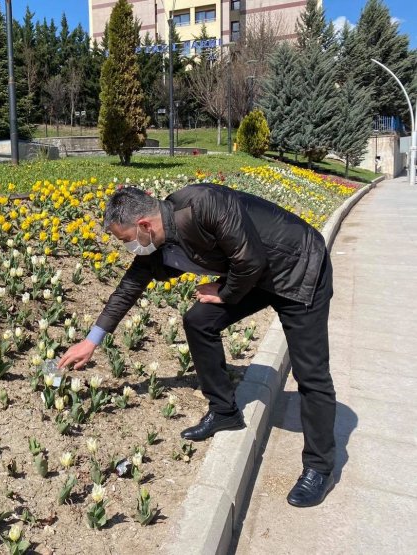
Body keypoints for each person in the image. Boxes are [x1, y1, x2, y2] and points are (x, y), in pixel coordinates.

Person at [58, 184, 336, 508]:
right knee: (199, 320)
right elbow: (129, 287)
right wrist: (91, 341)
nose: (129, 247)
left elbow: (250, 258)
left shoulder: (204, 205)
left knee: (311, 373)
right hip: (252, 275)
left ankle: (319, 466)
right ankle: (224, 411)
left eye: (127, 240)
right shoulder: (158, 242)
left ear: (144, 226)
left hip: (298, 270)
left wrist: (225, 292)